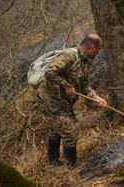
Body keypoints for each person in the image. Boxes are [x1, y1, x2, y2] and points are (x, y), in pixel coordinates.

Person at [36, 33, 107, 166]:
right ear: (92, 47)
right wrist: (66, 86)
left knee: (56, 131)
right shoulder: (70, 55)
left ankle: (53, 162)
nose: (98, 52)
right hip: (49, 99)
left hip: (62, 101)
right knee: (71, 132)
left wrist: (96, 97)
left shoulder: (85, 61)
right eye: (98, 49)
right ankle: (72, 164)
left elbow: (84, 84)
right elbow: (49, 72)